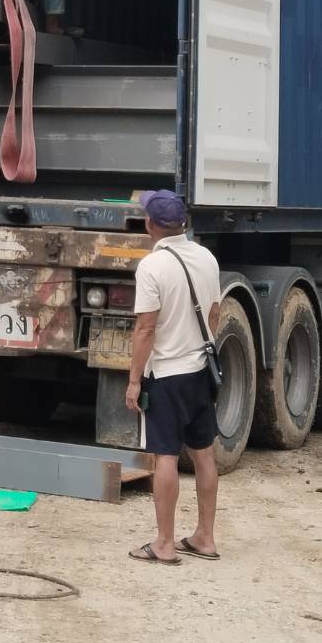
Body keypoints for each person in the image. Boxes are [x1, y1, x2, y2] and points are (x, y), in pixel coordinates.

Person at [126, 189, 222, 565]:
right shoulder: (207, 258)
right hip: (200, 372)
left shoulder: (152, 267)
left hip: (166, 375)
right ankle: (205, 538)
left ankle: (164, 543)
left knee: (164, 454)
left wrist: (135, 379)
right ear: (183, 223)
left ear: (150, 224)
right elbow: (214, 313)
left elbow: (145, 329)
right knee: (203, 453)